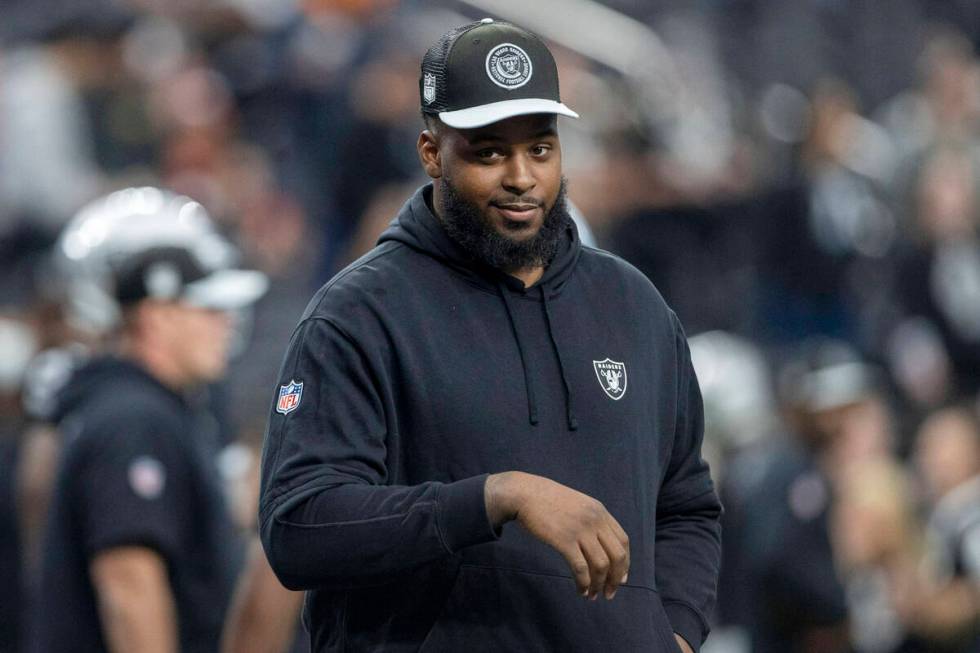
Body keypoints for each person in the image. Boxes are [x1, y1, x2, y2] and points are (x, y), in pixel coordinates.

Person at [259, 19, 721, 653]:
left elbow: (687, 505)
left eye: (540, 147)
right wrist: (495, 497)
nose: (522, 177)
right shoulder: (358, 315)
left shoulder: (635, 306)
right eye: (488, 152)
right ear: (430, 152)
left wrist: (676, 632)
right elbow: (300, 528)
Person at [32, 187, 268, 653]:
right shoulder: (132, 419)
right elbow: (129, 584)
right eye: (207, 309)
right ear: (156, 318)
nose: (225, 325)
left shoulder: (153, 408)